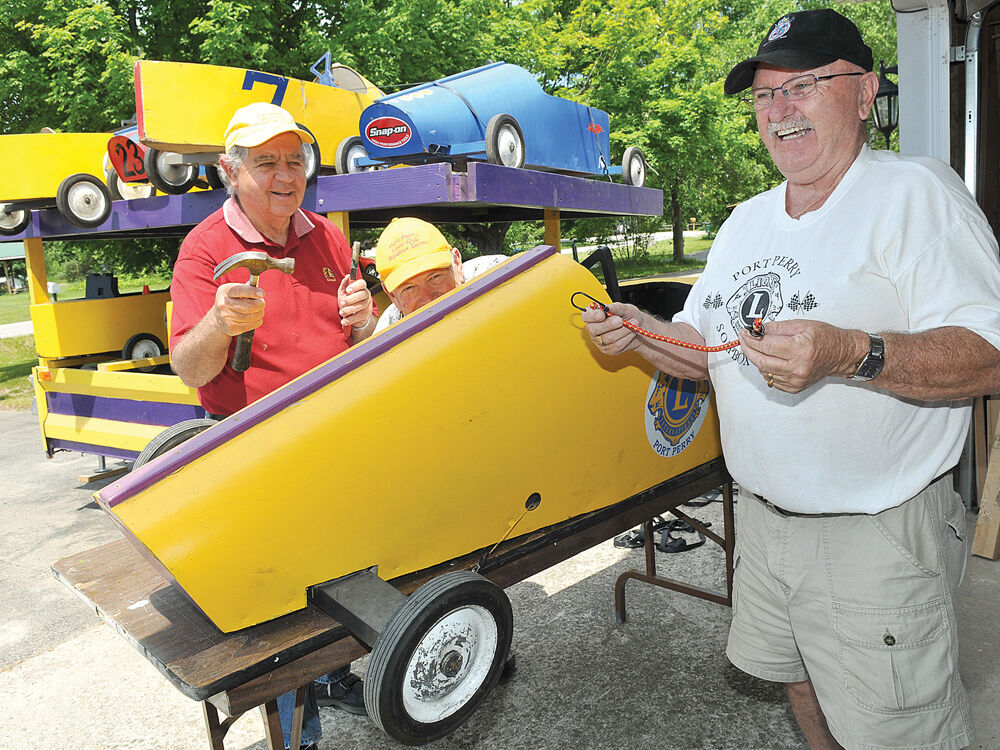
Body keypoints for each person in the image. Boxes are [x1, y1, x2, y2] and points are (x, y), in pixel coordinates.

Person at [584, 9, 1000, 750]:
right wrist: (640, 334)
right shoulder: (746, 220)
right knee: (802, 685)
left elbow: (989, 355)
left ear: (866, 92)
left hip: (875, 536)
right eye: (764, 96)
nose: (779, 112)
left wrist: (852, 353)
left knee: (899, 731)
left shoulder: (916, 194)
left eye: (802, 86)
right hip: (766, 526)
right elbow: (705, 349)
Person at [169, 102, 375, 750]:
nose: (285, 175)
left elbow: (357, 334)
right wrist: (217, 326)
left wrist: (365, 315)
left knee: (346, 566)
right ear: (231, 171)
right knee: (283, 604)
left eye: (295, 160)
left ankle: (338, 675)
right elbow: (187, 365)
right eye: (266, 162)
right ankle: (298, 732)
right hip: (251, 447)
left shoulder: (326, 237)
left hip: (330, 437)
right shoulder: (205, 250)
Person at [372, 216, 507, 333]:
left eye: (435, 277)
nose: (429, 300)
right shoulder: (387, 336)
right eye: (409, 288)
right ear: (392, 296)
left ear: (457, 264)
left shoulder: (502, 278)